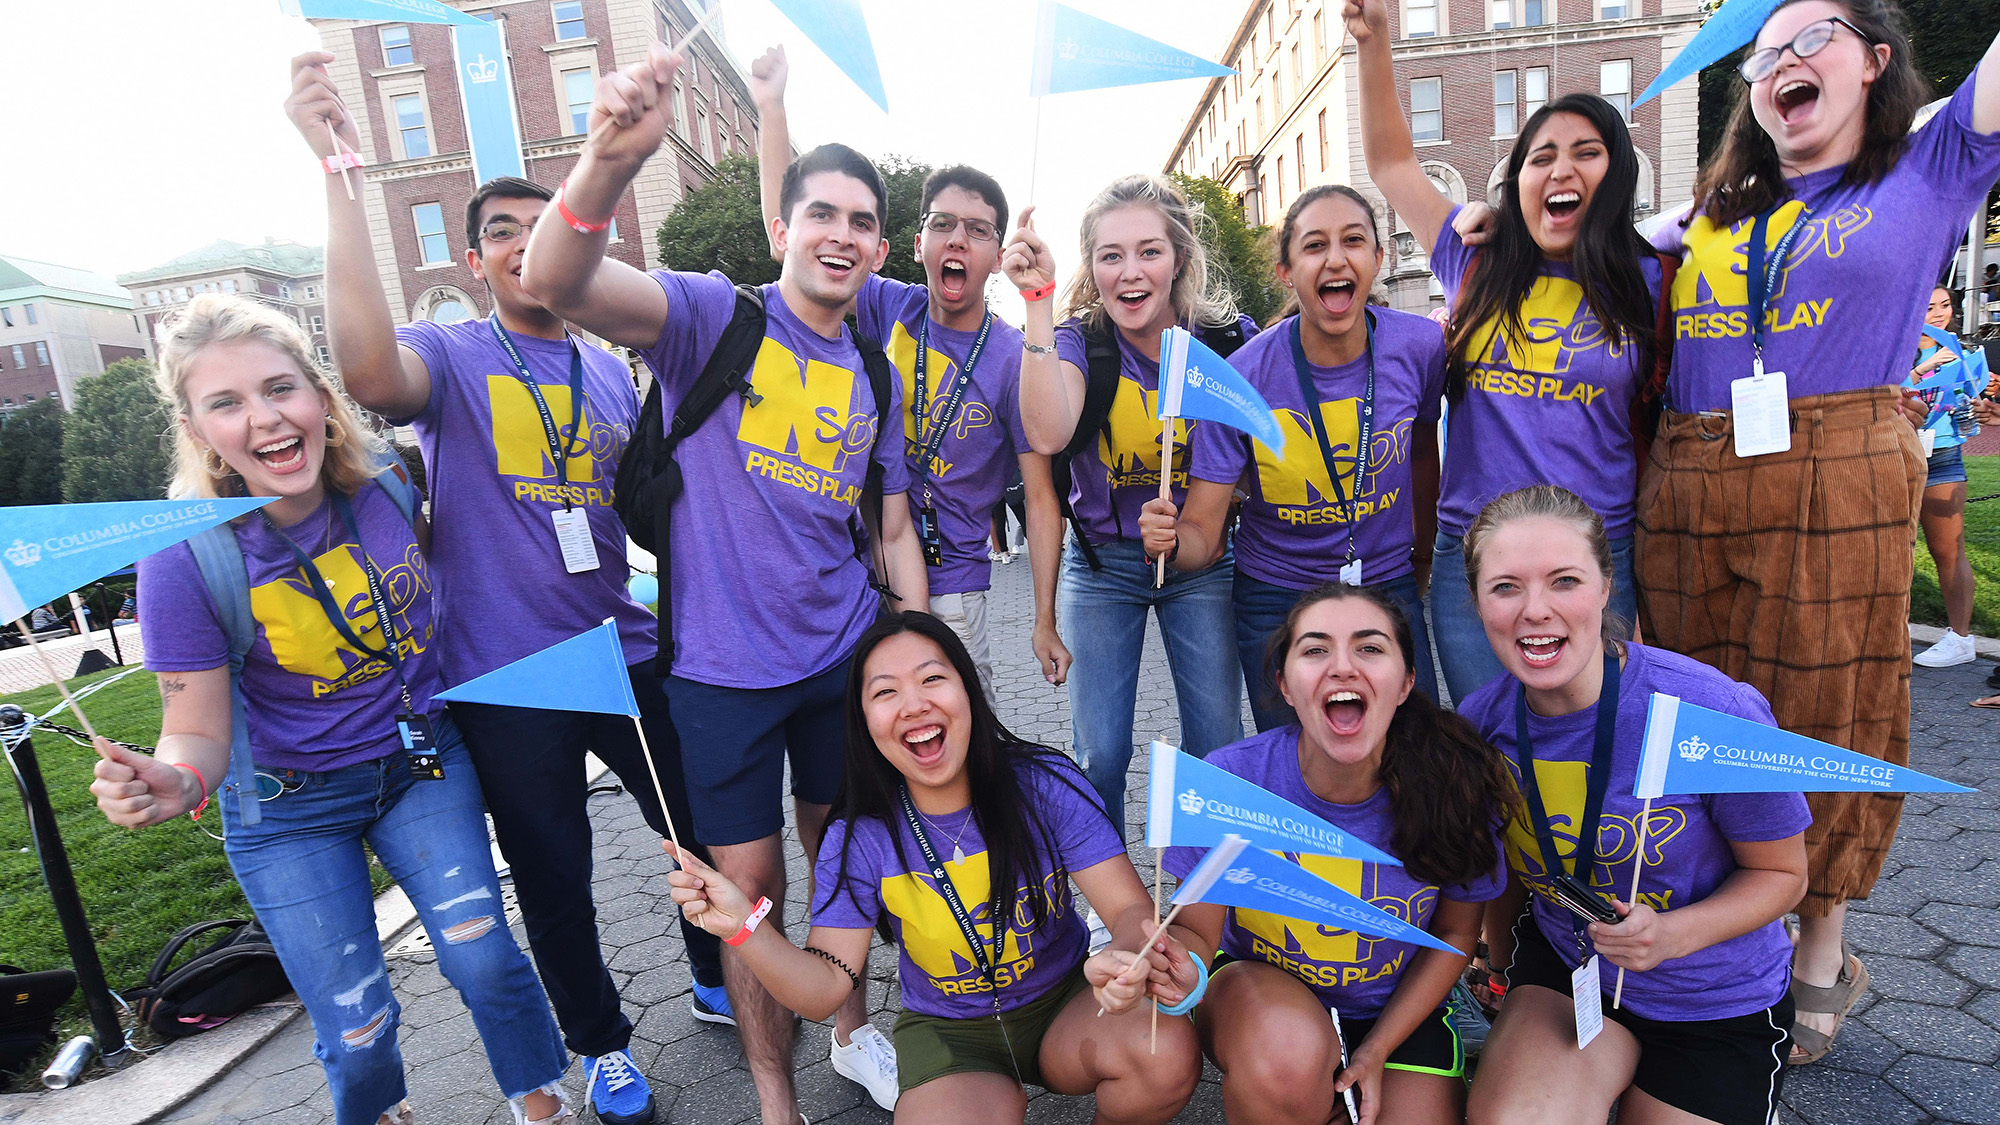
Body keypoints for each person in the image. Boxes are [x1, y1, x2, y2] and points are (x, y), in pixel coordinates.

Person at [286, 52, 718, 1124]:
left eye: (545, 224)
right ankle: (603, 1047)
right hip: (505, 674)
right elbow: (368, 373)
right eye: (500, 235)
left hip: (622, 649)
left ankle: (718, 975)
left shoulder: (610, 366)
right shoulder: (449, 355)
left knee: (695, 831)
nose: (525, 246)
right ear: (477, 262)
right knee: (554, 875)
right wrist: (337, 176)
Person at [520, 43, 929, 1125]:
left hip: (841, 657)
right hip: (717, 677)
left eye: (859, 221)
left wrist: (918, 643)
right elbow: (556, 279)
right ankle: (771, 1100)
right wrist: (607, 156)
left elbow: (883, 524)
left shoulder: (875, 365)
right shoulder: (715, 315)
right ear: (782, 228)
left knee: (845, 869)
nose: (839, 234)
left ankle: (849, 1034)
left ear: (876, 246)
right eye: (820, 214)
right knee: (747, 903)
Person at [92, 295, 571, 1125]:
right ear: (196, 428)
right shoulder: (183, 555)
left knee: (485, 956)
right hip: (287, 807)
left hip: (420, 760)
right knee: (356, 1022)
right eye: (228, 402)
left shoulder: (388, 482)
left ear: (319, 394)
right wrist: (174, 779)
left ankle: (541, 1102)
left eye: (281, 388)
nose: (266, 419)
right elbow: (197, 726)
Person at [1636, 0, 2000, 1063]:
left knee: (1821, 714)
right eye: (1764, 54)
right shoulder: (1703, 213)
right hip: (1690, 471)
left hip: (1835, 463)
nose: (1783, 61)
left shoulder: (1928, 163)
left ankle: (1819, 948)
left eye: (1812, 38)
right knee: (1691, 711)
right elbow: (1581, 248)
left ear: (1874, 62)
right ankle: (1718, 933)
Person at [664, 612, 1202, 1124]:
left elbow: (1129, 907)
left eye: (932, 679)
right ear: (864, 723)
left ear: (969, 691)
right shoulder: (858, 835)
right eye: (885, 692)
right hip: (950, 1033)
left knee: (1164, 1054)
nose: (914, 704)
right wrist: (744, 929)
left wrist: (1129, 956)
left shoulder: (1044, 783)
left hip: (1067, 1003)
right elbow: (826, 986)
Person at [1456, 487, 1810, 1123]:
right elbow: (1502, 861)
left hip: (1714, 998)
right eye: (1505, 587)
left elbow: (1784, 875)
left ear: (1604, 588)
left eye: (1564, 581)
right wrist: (1501, 959)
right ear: (1477, 603)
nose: (1535, 610)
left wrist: (1671, 935)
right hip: (1572, 970)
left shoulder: (1712, 711)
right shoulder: (1479, 727)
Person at [1346, 0, 1663, 705]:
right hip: (1476, 565)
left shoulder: (1653, 280)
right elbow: (1393, 164)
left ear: (1615, 177)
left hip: (1593, 560)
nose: (1560, 170)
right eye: (1541, 156)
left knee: (1594, 751)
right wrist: (1375, 43)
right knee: (1489, 754)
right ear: (1516, 179)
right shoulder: (1474, 261)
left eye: (1586, 152)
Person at [751, 45, 1071, 712]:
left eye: (978, 230)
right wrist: (772, 108)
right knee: (862, 746)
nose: (958, 240)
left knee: (955, 740)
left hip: (953, 588)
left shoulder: (1015, 357)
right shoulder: (883, 304)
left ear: (996, 253)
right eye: (942, 225)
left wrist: (1044, 616)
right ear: (918, 243)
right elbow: (795, 228)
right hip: (855, 571)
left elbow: (1040, 500)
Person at [1164, 584, 1514, 1123]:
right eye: (1315, 649)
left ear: (1406, 683)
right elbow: (1195, 933)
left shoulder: (1457, 784)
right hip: (1259, 993)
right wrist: (1177, 968)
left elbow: (1456, 934)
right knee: (1286, 1060)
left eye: (1370, 648)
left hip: (1394, 1007)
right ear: (1285, 684)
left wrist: (1376, 1049)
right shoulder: (1231, 780)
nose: (1343, 666)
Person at [1139, 185, 1446, 729]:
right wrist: (1168, 540)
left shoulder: (1419, 347)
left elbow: (1425, 454)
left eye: (1353, 240)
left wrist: (1420, 560)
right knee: (1293, 766)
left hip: (1385, 584)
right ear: (1286, 270)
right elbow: (1202, 538)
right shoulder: (1241, 379)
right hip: (1277, 598)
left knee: (1412, 751)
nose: (1335, 258)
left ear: (1379, 258)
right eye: (1314, 245)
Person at [1001, 175, 1251, 824]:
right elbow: (1049, 430)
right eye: (1111, 255)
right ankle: (1112, 901)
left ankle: (1208, 903)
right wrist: (1036, 302)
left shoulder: (1226, 341)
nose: (1130, 272)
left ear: (1180, 259)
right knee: (1101, 753)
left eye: (1149, 251)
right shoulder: (1083, 342)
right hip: (1103, 566)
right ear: (1093, 267)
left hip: (1201, 567)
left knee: (1217, 749)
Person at [1906, 285, 1990, 668]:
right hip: (1898, 457)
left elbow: (1970, 412)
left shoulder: (1966, 354)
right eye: (1929, 306)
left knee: (1949, 550)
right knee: (1892, 551)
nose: (1939, 313)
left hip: (1944, 457)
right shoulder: (1892, 347)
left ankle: (1960, 638)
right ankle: (1888, 631)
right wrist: (1924, 367)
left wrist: (1977, 405)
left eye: (1945, 306)